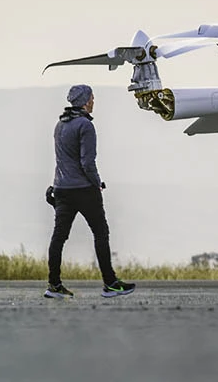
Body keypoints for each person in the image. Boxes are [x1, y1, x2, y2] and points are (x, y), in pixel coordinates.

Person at [45, 85, 136, 299]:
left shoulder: (60, 124)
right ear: (85, 101)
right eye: (92, 98)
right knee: (101, 234)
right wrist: (98, 183)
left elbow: (62, 160)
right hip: (84, 190)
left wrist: (55, 185)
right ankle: (110, 284)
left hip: (62, 189)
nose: (94, 102)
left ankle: (54, 285)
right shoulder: (85, 125)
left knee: (58, 238)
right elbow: (87, 162)